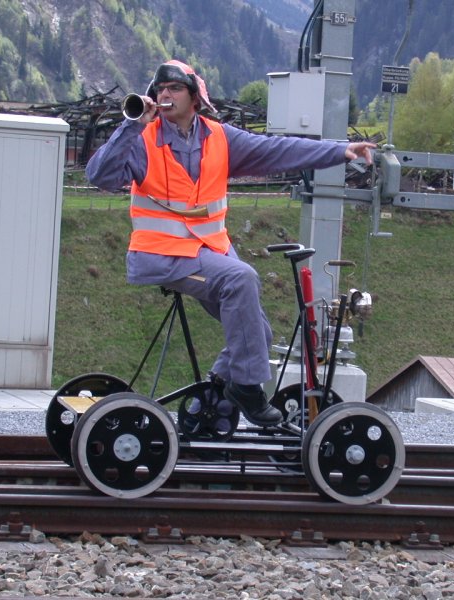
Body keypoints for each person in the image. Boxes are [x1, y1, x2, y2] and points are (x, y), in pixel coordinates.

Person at [86, 59, 376, 427]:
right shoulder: (143, 139)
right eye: (159, 89)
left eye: (174, 88)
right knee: (241, 279)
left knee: (258, 332)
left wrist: (338, 151)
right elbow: (101, 176)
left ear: (194, 97)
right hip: (161, 255)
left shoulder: (219, 137)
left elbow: (277, 150)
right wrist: (131, 126)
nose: (164, 94)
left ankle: (213, 397)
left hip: (209, 250)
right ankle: (246, 388)